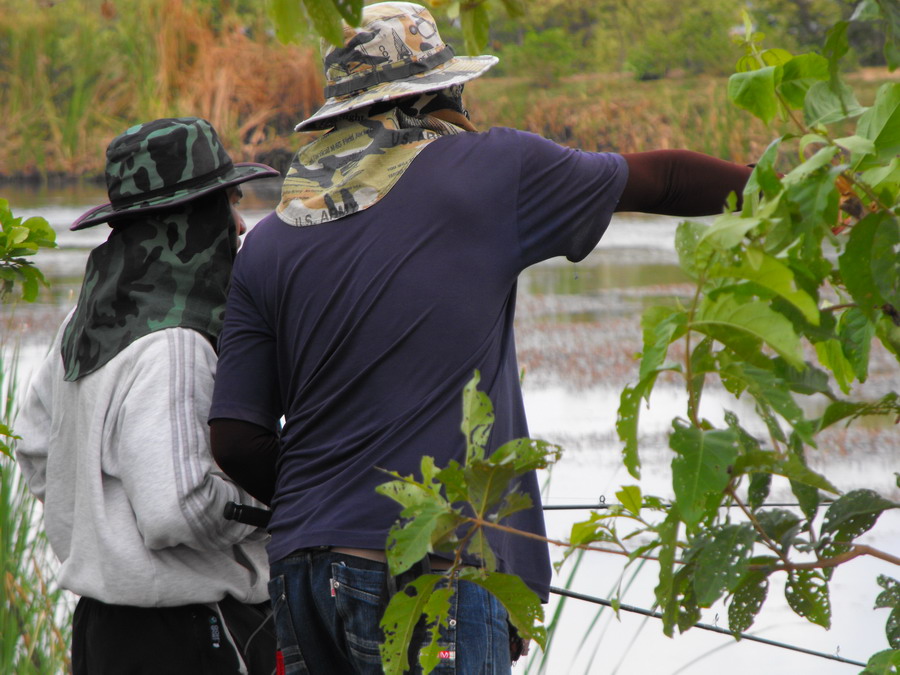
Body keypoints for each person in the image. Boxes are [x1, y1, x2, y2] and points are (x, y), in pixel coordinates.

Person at [207, 3, 755, 673]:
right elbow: (663, 179)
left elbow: (235, 438)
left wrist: (333, 498)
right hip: (434, 570)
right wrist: (799, 199)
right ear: (440, 93)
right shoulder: (490, 171)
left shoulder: (267, 243)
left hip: (301, 576)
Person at [15, 117, 281, 675]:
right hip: (190, 632)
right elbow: (176, 510)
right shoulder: (176, 343)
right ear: (189, 220)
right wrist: (285, 508)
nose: (238, 225)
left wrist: (100, 533)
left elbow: (35, 450)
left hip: (102, 630)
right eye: (226, 205)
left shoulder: (82, 325)